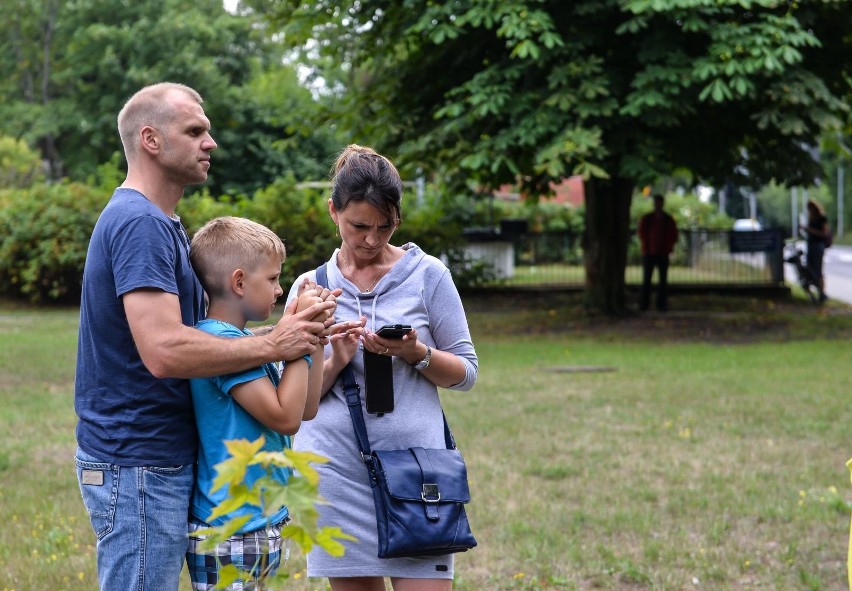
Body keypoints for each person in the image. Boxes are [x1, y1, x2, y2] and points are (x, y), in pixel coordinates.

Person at [74, 82, 338, 591]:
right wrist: (275, 344)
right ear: (150, 139)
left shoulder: (163, 222)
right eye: (195, 131)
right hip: (137, 463)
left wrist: (294, 332)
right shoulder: (139, 223)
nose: (210, 143)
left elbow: (205, 335)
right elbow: (165, 350)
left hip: (154, 461)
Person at [285, 144, 479, 591]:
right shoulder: (311, 286)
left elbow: (466, 373)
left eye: (384, 227)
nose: (372, 239)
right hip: (334, 470)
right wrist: (337, 358)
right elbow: (296, 400)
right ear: (333, 211)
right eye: (359, 226)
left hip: (417, 476)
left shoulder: (429, 275)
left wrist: (417, 354)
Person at [185, 216, 338, 590]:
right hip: (231, 529)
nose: (280, 289)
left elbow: (306, 408)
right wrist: (295, 337)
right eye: (272, 279)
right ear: (238, 282)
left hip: (257, 522)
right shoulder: (223, 345)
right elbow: (285, 418)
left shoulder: (243, 342)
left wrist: (312, 337)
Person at [637, 193, 679, 312]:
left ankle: (661, 305)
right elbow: (642, 233)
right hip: (649, 252)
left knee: (662, 281)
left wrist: (667, 246)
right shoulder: (648, 218)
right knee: (646, 279)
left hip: (662, 252)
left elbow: (673, 235)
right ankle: (644, 305)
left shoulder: (667, 219)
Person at [802, 198, 830, 301]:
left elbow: (824, 233)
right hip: (811, 245)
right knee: (810, 269)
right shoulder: (811, 219)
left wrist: (810, 230)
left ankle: (822, 293)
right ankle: (815, 292)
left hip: (818, 246)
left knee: (818, 270)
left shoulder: (822, 218)